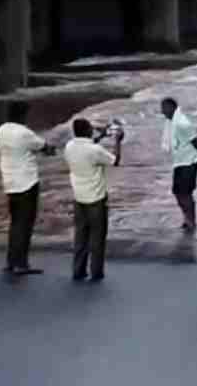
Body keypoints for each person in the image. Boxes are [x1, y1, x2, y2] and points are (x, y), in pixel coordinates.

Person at [0, 100, 50, 276]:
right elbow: (44, 147)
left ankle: (11, 262)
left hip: (9, 183)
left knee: (15, 223)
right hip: (27, 182)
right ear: (22, 115)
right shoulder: (24, 133)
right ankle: (21, 264)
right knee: (25, 224)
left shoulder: (1, 130)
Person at [64, 118, 122, 281]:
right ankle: (96, 272)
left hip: (78, 197)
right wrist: (118, 141)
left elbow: (88, 148)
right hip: (96, 199)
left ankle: (78, 270)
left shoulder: (69, 147)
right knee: (97, 238)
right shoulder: (95, 150)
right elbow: (115, 160)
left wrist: (101, 136)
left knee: (80, 237)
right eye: (91, 128)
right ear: (87, 131)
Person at [161, 97, 197, 232]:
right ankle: (187, 217)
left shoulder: (182, 123)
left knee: (186, 192)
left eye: (164, 108)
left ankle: (191, 220)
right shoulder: (172, 122)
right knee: (177, 191)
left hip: (190, 161)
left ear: (171, 108)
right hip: (180, 161)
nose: (162, 112)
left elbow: (195, 140)